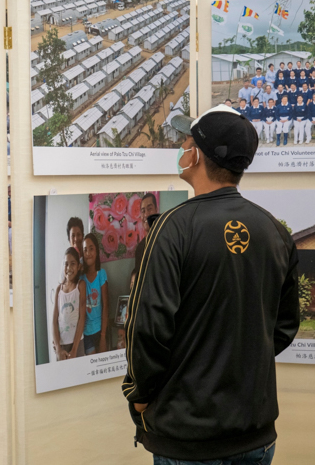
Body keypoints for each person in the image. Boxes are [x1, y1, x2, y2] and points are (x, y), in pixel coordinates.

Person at [123, 105, 299, 464]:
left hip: (187, 441)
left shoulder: (171, 228)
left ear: (197, 156)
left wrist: (139, 395)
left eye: (186, 142)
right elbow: (283, 327)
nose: (183, 150)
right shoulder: (275, 232)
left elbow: (147, 328)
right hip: (256, 436)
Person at [52, 248, 86, 361]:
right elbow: (54, 321)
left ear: (78, 267)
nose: (69, 268)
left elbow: (82, 318)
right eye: (66, 264)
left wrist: (75, 349)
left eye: (72, 264)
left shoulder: (80, 286)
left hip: (77, 343)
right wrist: (58, 349)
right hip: (62, 346)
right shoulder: (58, 289)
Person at [81, 233, 108, 355]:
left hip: (100, 330)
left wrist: (103, 337)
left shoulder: (101, 274)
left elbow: (106, 306)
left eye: (91, 249)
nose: (88, 253)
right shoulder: (81, 278)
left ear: (96, 250)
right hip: (86, 334)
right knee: (92, 368)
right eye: (85, 250)